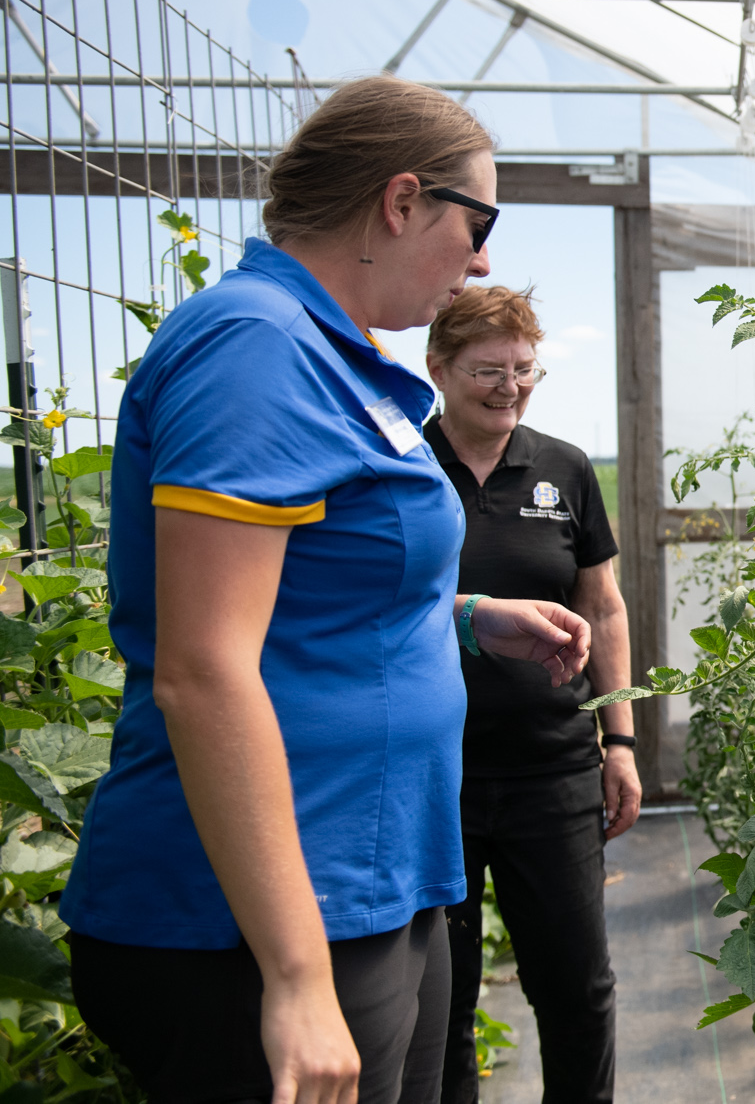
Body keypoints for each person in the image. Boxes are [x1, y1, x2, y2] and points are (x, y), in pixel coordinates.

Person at [61, 76, 591, 1104]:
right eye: (475, 221)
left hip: (373, 881)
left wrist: (473, 620)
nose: (481, 258)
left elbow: (316, 590)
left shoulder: (331, 356)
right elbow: (204, 667)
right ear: (401, 202)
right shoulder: (257, 345)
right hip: (263, 920)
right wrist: (298, 978)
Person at [424, 286, 639, 1104]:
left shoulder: (563, 470)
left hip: (552, 769)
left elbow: (603, 604)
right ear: (439, 368)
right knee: (442, 998)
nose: (509, 386)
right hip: (435, 775)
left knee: (576, 985)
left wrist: (617, 741)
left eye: (524, 368)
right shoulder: (406, 468)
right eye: (488, 369)